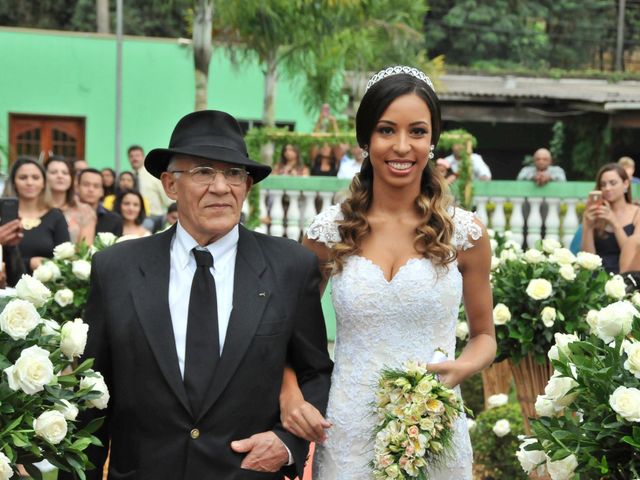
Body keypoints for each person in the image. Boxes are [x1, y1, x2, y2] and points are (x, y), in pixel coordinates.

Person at [70, 110, 333, 480]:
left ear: (247, 186)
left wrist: (287, 442)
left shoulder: (290, 267)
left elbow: (316, 372)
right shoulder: (117, 269)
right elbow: (90, 395)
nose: (221, 187)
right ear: (170, 185)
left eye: (233, 174)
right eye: (203, 172)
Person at [278, 66, 496, 478]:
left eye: (417, 131)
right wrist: (289, 394)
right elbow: (286, 332)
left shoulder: (465, 234)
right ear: (366, 139)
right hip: (347, 430)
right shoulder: (330, 231)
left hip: (435, 425)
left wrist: (461, 369)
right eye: (386, 130)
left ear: (433, 140)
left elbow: (484, 337)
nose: (402, 146)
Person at [9, 157, 69, 274]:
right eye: (23, 177)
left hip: (47, 288)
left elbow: (64, 260)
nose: (29, 182)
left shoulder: (56, 216)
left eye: (35, 178)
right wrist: (29, 263)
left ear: (43, 183)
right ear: (13, 182)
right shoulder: (4, 215)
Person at [581, 163, 640, 274]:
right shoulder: (593, 213)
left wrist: (614, 222)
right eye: (603, 184)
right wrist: (588, 227)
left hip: (626, 277)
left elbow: (633, 254)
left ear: (626, 184)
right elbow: (588, 258)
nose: (607, 188)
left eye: (613, 183)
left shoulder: (637, 213)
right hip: (598, 277)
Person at [45, 156, 96, 244]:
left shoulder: (85, 211)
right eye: (53, 172)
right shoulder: (35, 209)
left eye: (65, 173)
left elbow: (85, 250)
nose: (60, 176)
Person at [128, 144, 172, 230]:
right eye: (131, 156)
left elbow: (166, 196)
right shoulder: (127, 177)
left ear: (143, 157)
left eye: (137, 155)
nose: (134, 158)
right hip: (134, 217)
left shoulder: (153, 175)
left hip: (154, 216)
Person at [76, 168, 123, 237]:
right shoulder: (67, 216)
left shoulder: (115, 220)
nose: (91, 189)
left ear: (102, 191)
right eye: (86, 185)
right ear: (77, 188)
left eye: (96, 186)